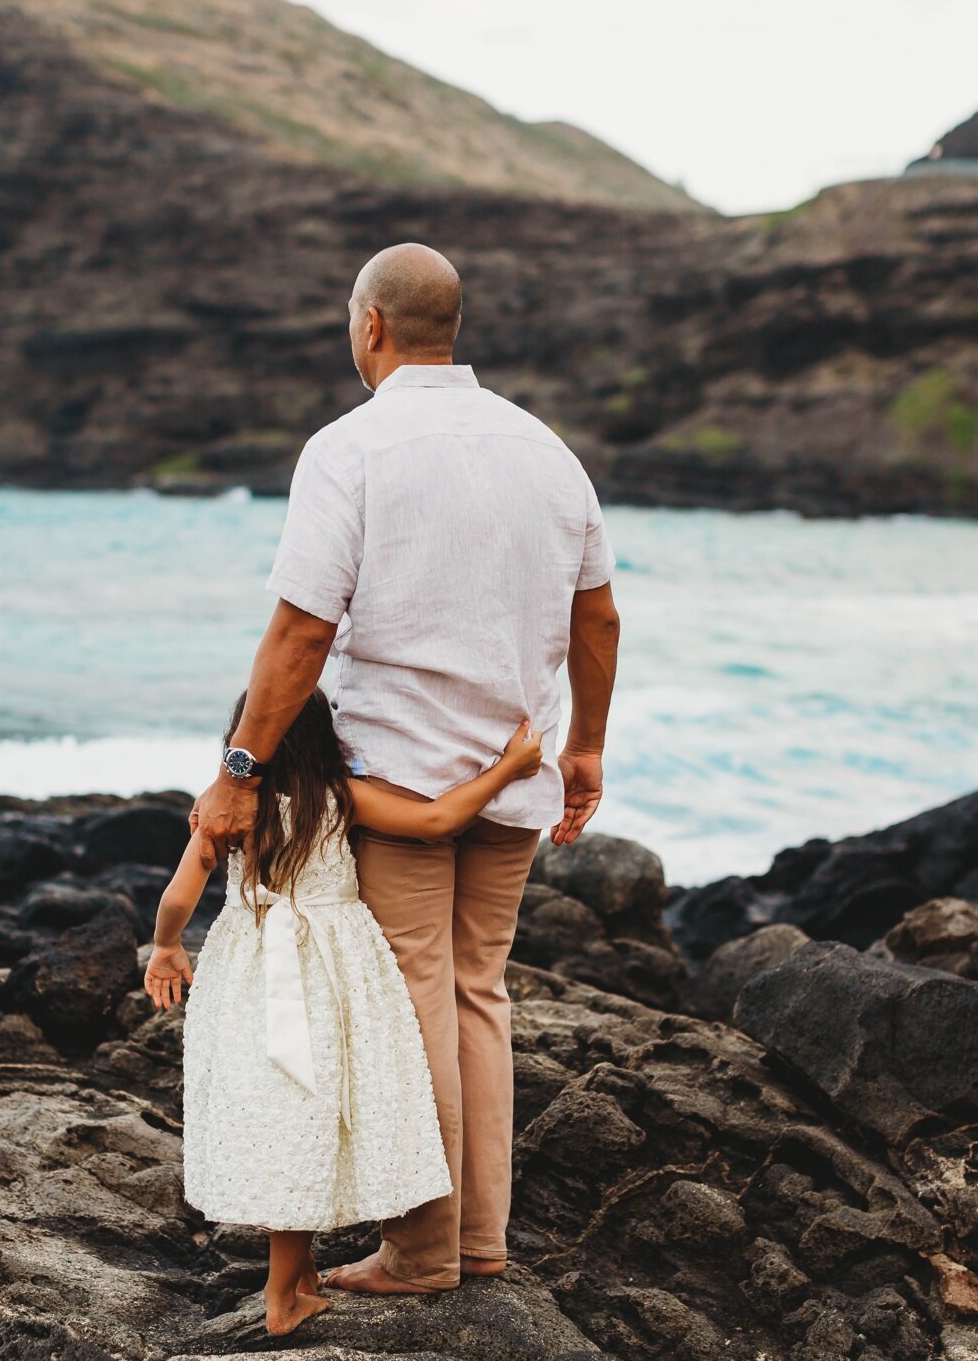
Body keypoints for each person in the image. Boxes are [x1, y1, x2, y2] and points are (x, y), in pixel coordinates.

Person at [191, 242, 622, 1293]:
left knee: (414, 997)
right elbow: (598, 613)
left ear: (369, 326)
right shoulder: (545, 451)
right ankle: (480, 1242)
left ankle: (423, 1250)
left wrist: (242, 767)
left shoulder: (349, 451)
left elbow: (298, 632)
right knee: (479, 992)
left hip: (398, 785)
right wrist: (584, 747)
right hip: (513, 778)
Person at [143, 690, 545, 1336]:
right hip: (335, 976)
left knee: (283, 1116)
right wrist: (508, 770)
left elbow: (177, 897)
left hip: (251, 975)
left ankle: (294, 1279)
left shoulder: (227, 810)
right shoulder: (341, 797)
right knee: (313, 1116)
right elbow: (439, 822)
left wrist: (166, 949)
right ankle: (284, 1294)